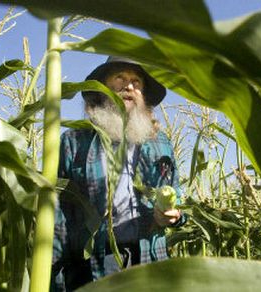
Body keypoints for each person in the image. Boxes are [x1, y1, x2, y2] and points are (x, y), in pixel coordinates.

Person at [51, 56, 185, 291]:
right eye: (120, 78)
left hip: (149, 258)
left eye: (136, 81)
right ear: (102, 88)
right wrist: (56, 279)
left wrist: (174, 215)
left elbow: (178, 195)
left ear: (143, 95)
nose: (129, 86)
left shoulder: (160, 143)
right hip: (95, 265)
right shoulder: (73, 142)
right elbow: (59, 216)